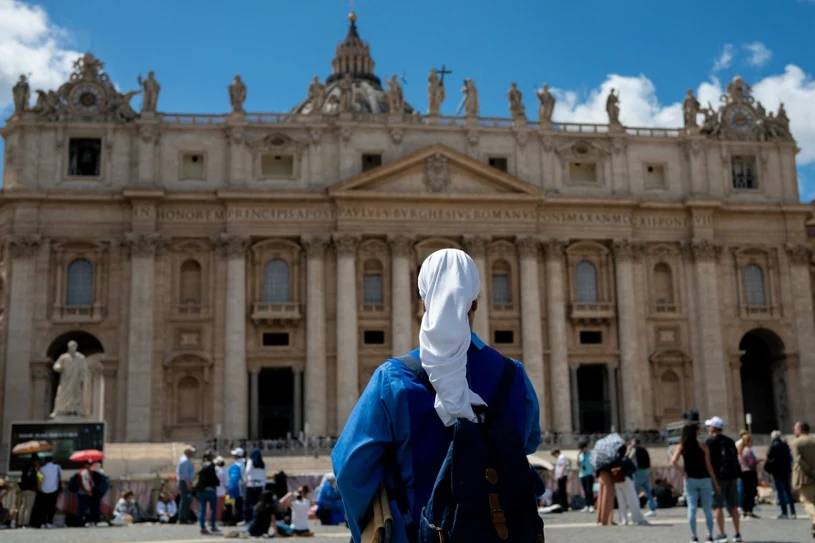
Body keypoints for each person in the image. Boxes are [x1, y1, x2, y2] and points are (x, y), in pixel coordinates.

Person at [331, 248, 542, 543]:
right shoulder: (514, 375)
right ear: (476, 303)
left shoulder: (392, 379)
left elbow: (350, 468)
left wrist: (371, 530)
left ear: (423, 303)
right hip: (498, 532)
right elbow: (529, 441)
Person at [672, 422, 719, 543]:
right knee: (707, 509)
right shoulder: (703, 446)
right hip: (704, 479)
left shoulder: (682, 446)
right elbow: (709, 466)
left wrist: (683, 473)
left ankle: (694, 536)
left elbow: (673, 461)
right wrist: (715, 482)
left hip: (690, 479)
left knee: (691, 509)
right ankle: (709, 536)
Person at [705, 417, 743, 543]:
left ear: (713, 428)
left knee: (718, 506)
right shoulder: (730, 441)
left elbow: (707, 461)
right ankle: (737, 533)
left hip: (717, 478)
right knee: (733, 506)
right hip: (731, 477)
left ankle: (722, 534)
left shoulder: (709, 442)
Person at [614, 445, 648, 526]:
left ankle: (623, 520)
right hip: (626, 480)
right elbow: (634, 469)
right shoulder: (626, 459)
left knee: (621, 501)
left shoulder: (614, 459)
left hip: (617, 481)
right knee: (633, 500)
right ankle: (637, 518)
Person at [792, 421, 815, 539]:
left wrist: (810, 472)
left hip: (805, 477)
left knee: (807, 501)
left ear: (799, 430)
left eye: (795, 429)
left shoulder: (797, 442)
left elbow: (799, 460)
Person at [766, 430, 796, 519]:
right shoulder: (785, 445)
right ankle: (793, 512)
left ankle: (784, 512)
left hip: (777, 472)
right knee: (788, 491)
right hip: (786, 471)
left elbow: (769, 458)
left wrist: (768, 469)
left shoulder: (773, 446)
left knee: (780, 492)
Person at [629, 438, 657, 517]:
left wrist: (629, 450)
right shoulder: (644, 450)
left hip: (637, 474)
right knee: (648, 492)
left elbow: (629, 458)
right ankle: (653, 509)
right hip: (645, 473)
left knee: (634, 493)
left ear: (634, 443)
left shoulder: (634, 450)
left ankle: (635, 511)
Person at [194, 450, 221, 535]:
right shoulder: (211, 466)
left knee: (202, 509)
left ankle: (202, 527)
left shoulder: (201, 465)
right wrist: (217, 482)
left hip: (200, 490)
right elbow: (213, 478)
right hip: (210, 490)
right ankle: (212, 525)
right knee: (213, 509)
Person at [737, 433, 759, 518]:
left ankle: (745, 510)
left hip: (743, 473)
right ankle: (749, 509)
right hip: (750, 473)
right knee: (751, 492)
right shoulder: (748, 450)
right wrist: (758, 461)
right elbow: (751, 463)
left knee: (746, 492)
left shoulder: (741, 450)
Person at [243, 448, 266, 525]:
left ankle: (247, 519)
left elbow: (247, 471)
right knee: (257, 503)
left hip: (250, 484)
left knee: (248, 503)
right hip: (259, 485)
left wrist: (245, 480)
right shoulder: (263, 464)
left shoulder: (251, 461)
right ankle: (256, 519)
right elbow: (264, 476)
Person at [38, 455, 62, 529]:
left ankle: (42, 522)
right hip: (54, 490)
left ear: (45, 461)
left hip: (43, 490)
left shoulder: (42, 468)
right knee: (51, 508)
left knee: (43, 508)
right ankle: (49, 522)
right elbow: (60, 477)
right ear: (52, 460)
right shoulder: (57, 467)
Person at [17, 455, 39, 527]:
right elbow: (33, 480)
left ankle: (20, 522)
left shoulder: (25, 468)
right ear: (35, 461)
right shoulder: (33, 469)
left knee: (23, 506)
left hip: (23, 489)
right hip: (30, 490)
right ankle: (26, 523)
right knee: (28, 507)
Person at [176, 445, 195, 524]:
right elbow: (185, 475)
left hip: (184, 482)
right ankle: (183, 518)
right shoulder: (185, 461)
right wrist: (188, 484)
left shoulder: (184, 460)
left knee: (185, 500)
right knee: (185, 500)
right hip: (185, 482)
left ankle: (183, 517)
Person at [227, 447, 246, 524]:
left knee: (238, 503)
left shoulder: (236, 464)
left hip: (238, 486)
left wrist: (230, 487)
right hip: (244, 485)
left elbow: (234, 477)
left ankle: (238, 518)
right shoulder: (245, 462)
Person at [577, 442, 595, 513]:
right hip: (582, 474)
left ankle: (591, 505)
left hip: (589, 473)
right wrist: (578, 457)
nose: (582, 450)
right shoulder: (580, 455)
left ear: (585, 447)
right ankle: (587, 505)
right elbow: (578, 464)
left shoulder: (591, 454)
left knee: (589, 490)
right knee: (585, 491)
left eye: (582, 448)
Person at [215, 456, 228, 521]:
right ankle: (218, 519)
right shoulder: (224, 470)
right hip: (221, 491)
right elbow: (226, 482)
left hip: (214, 490)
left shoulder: (214, 469)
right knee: (219, 506)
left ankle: (210, 519)